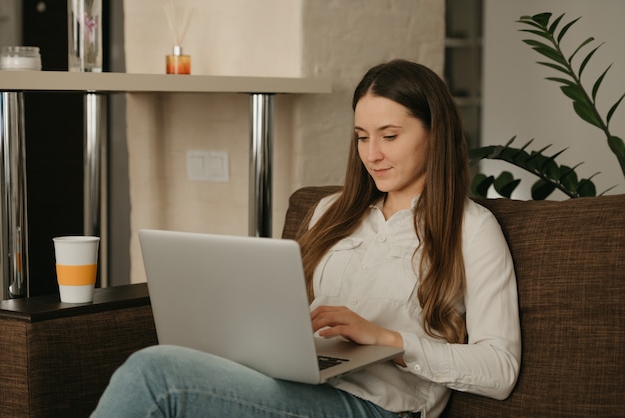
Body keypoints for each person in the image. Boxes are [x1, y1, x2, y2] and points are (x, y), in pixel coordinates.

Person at [91, 59, 521, 418]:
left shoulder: (471, 227)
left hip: (376, 406)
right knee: (166, 367)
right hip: (300, 383)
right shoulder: (332, 211)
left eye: (389, 136)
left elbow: (500, 370)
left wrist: (388, 339)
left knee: (156, 374)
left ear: (435, 133)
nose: (372, 154)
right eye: (361, 137)